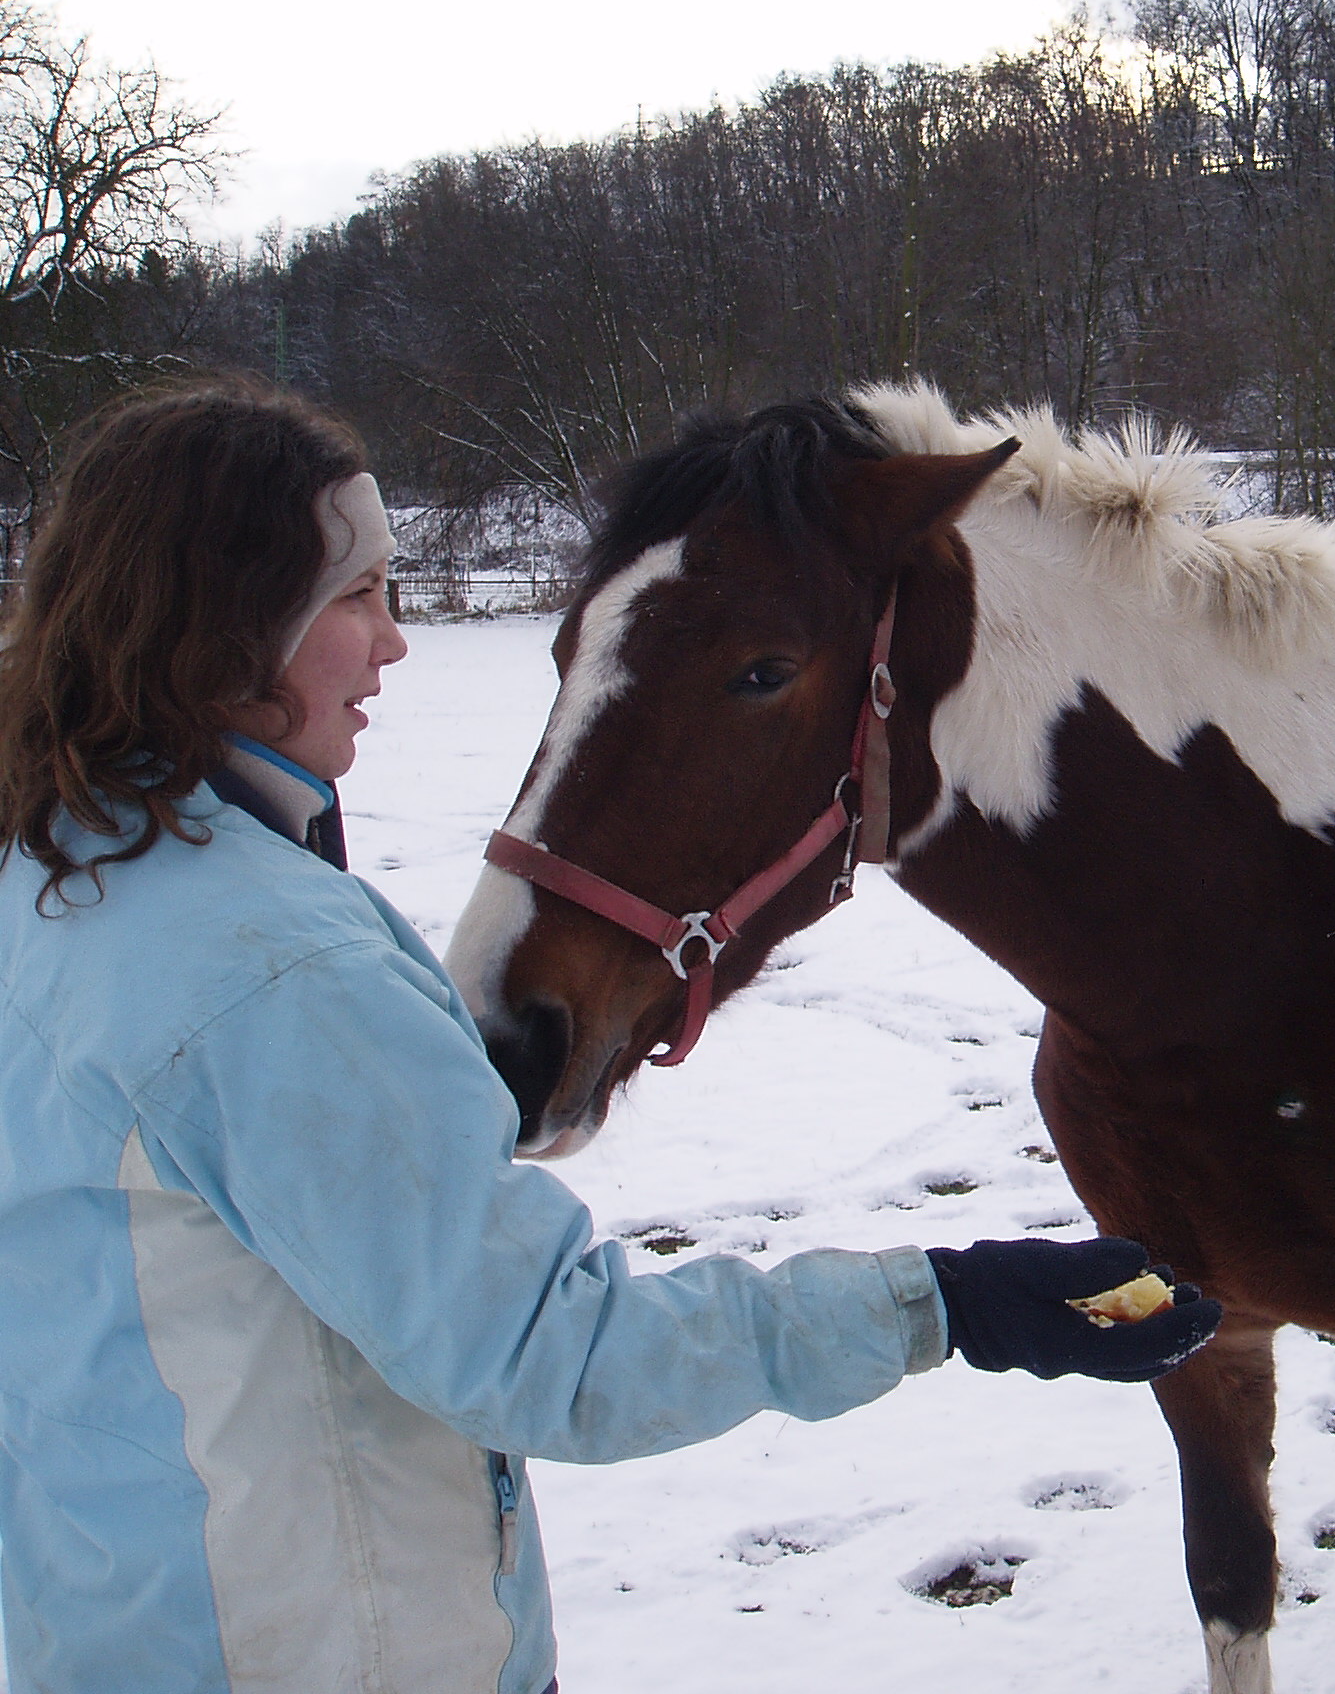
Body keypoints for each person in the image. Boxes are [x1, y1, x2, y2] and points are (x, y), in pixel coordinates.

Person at [0, 379, 1220, 1694]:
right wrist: (948, 1305)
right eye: (355, 599)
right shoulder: (269, 971)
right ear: (225, 627)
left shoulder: (53, 881)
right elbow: (546, 1353)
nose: (395, 645)